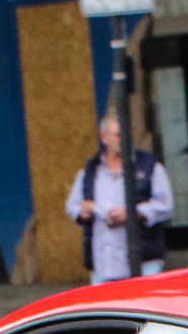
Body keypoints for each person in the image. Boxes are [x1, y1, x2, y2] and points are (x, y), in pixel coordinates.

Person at [66, 114, 173, 283]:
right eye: (117, 135)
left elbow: (166, 206)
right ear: (104, 138)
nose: (123, 139)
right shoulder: (90, 171)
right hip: (104, 264)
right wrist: (82, 212)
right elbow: (73, 206)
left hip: (143, 263)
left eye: (126, 134)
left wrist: (134, 213)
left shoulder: (149, 167)